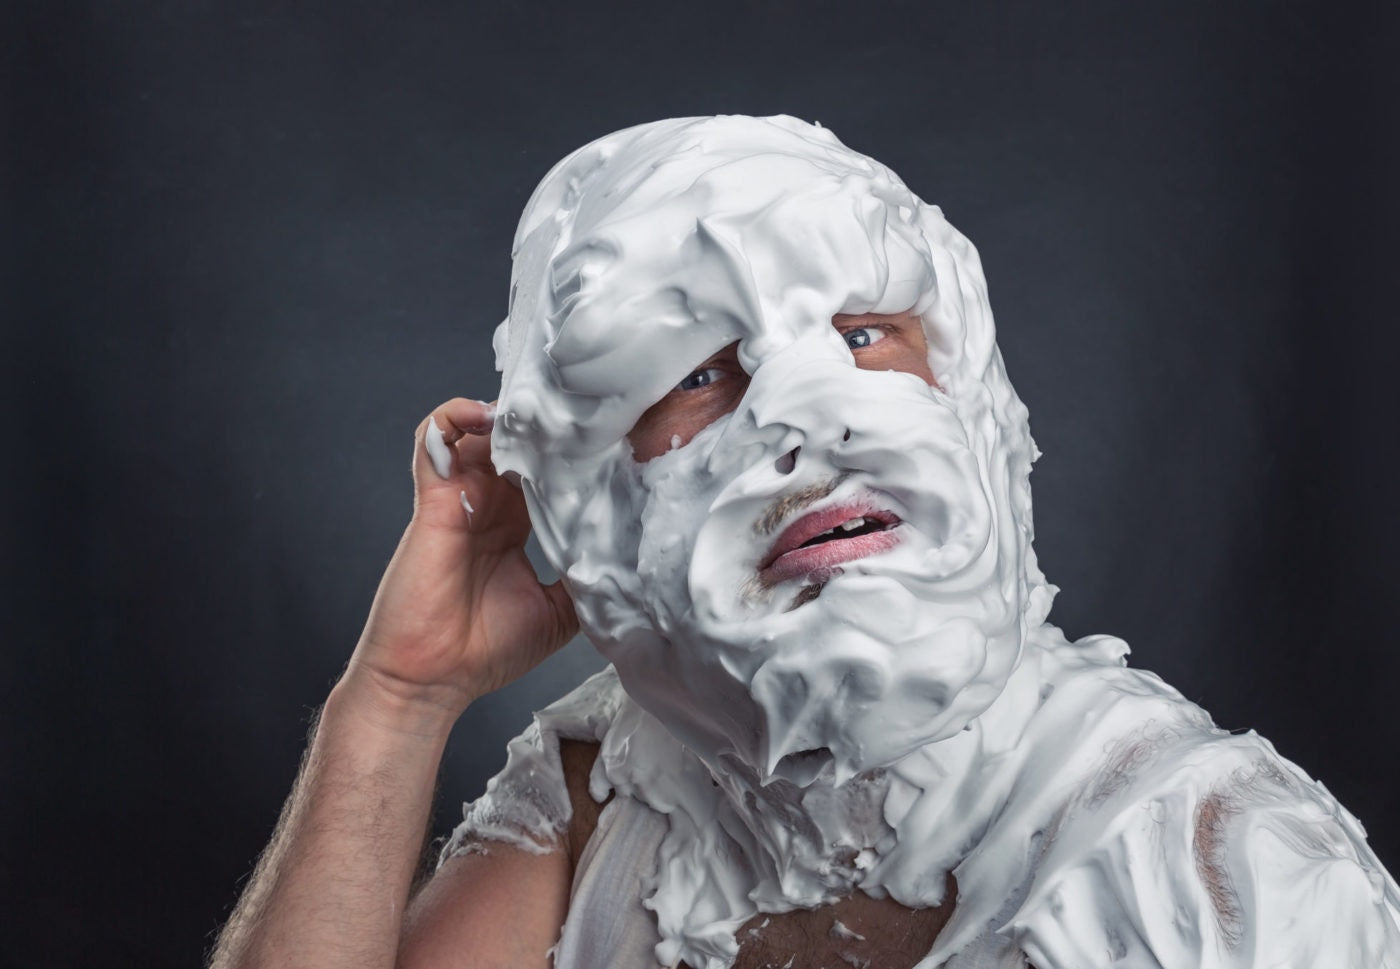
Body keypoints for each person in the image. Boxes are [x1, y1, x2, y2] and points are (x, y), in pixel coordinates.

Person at [210, 116, 1400, 969]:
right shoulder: (609, 794)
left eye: (864, 332)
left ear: (974, 403)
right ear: (592, 502)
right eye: (702, 374)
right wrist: (397, 696)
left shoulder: (1226, 879)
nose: (806, 411)